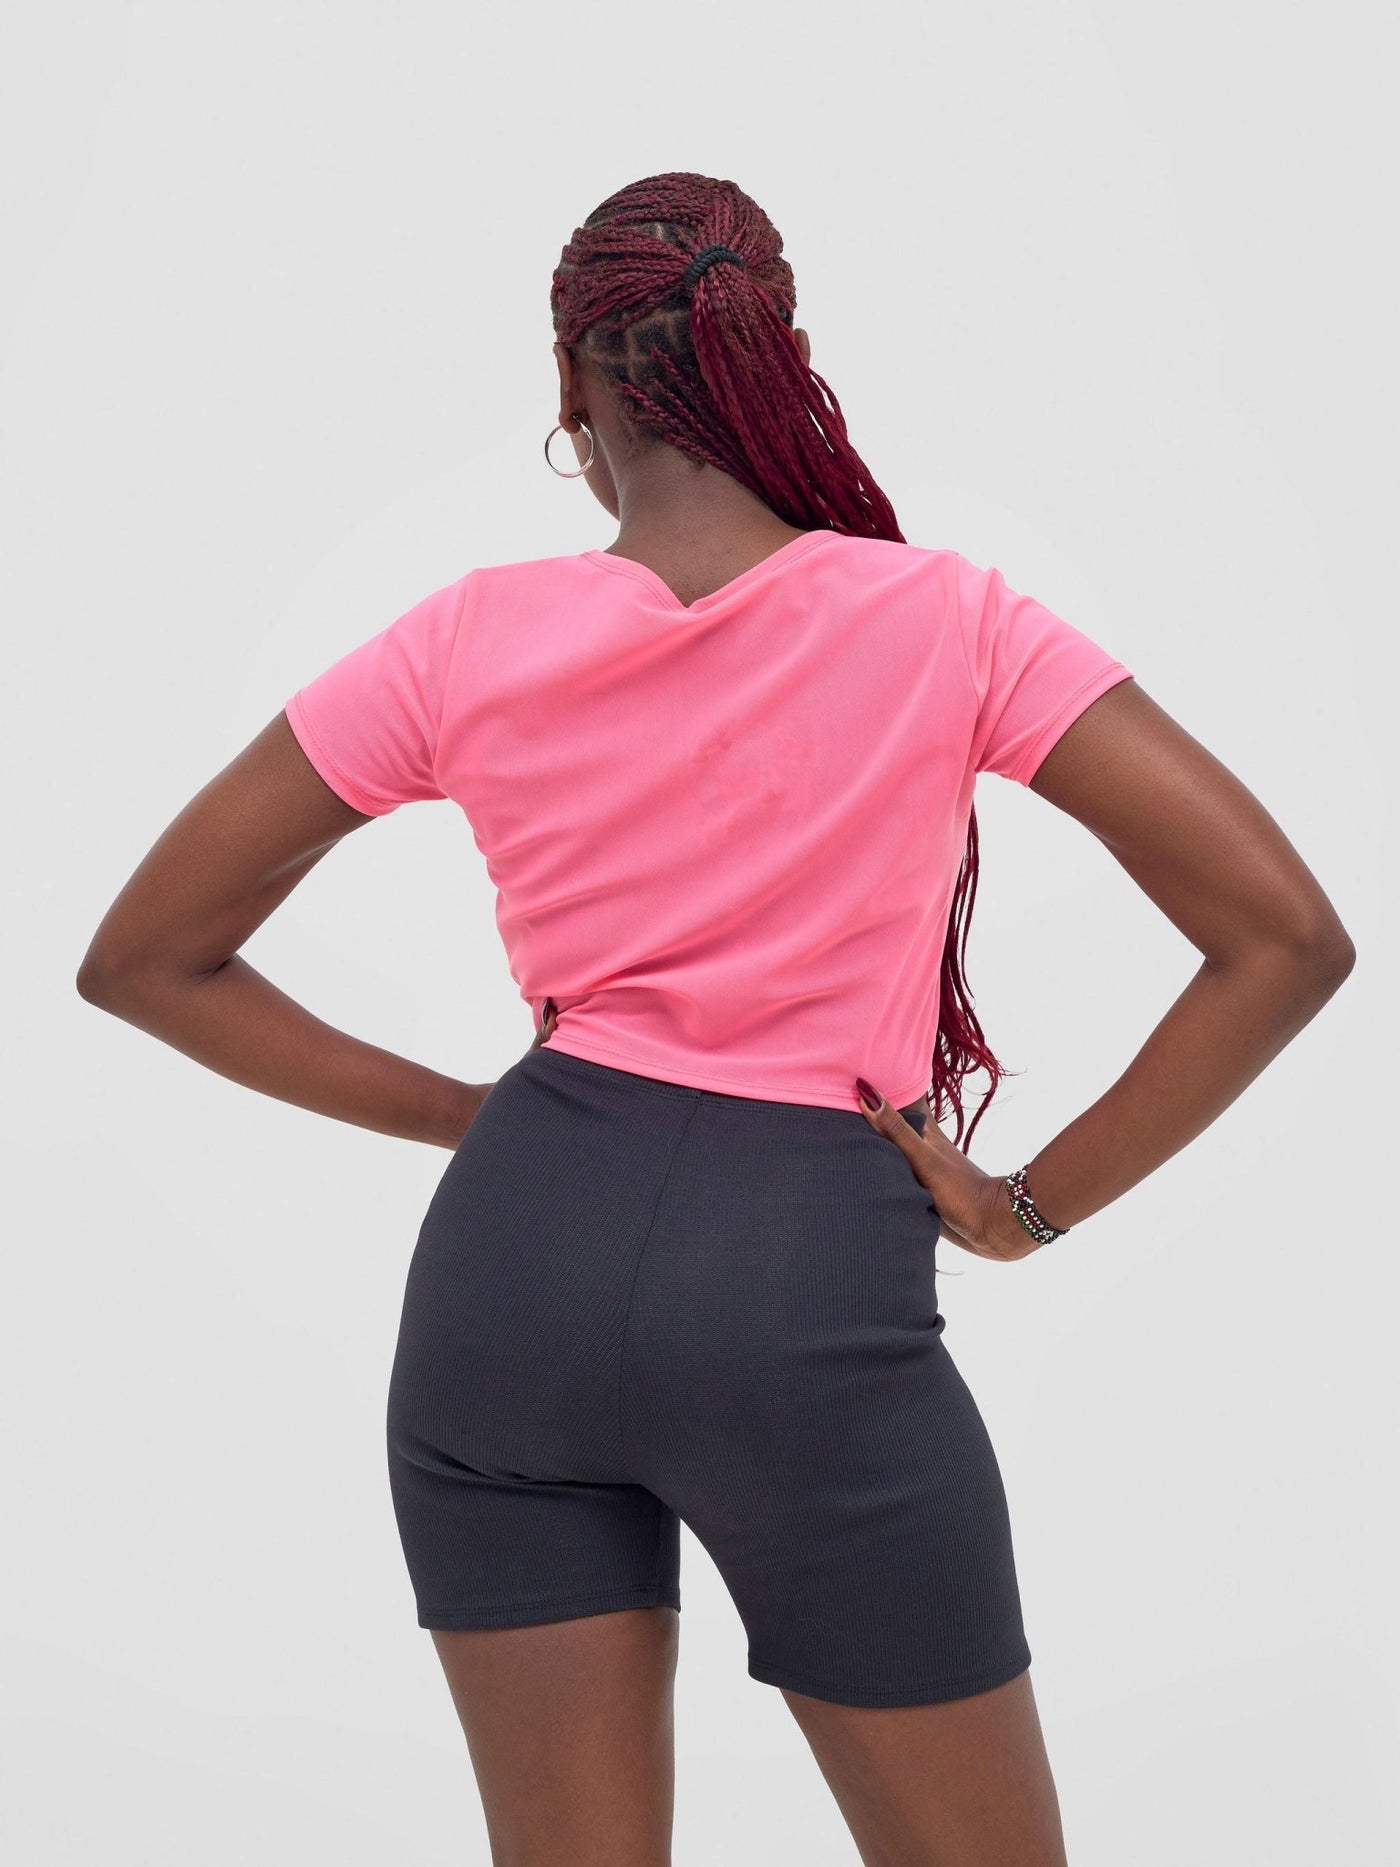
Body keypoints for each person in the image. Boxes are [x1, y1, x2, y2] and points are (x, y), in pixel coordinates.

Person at [76, 171, 1355, 1867]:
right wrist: (1023, 1208)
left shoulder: (463, 637)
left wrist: (483, 1119)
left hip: (508, 1278)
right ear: (780, 358)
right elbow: (1283, 937)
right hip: (800, 1292)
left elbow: (145, 959)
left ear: (569, 383)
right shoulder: (948, 619)